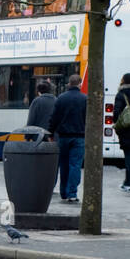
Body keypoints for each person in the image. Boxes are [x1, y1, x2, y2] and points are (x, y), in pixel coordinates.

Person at [47, 73, 87, 203]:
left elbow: (54, 118)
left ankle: (63, 192)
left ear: (69, 83)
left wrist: (51, 133)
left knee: (63, 165)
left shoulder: (61, 98)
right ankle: (72, 193)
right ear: (80, 84)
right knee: (75, 165)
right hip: (79, 137)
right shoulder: (85, 99)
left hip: (63, 137)